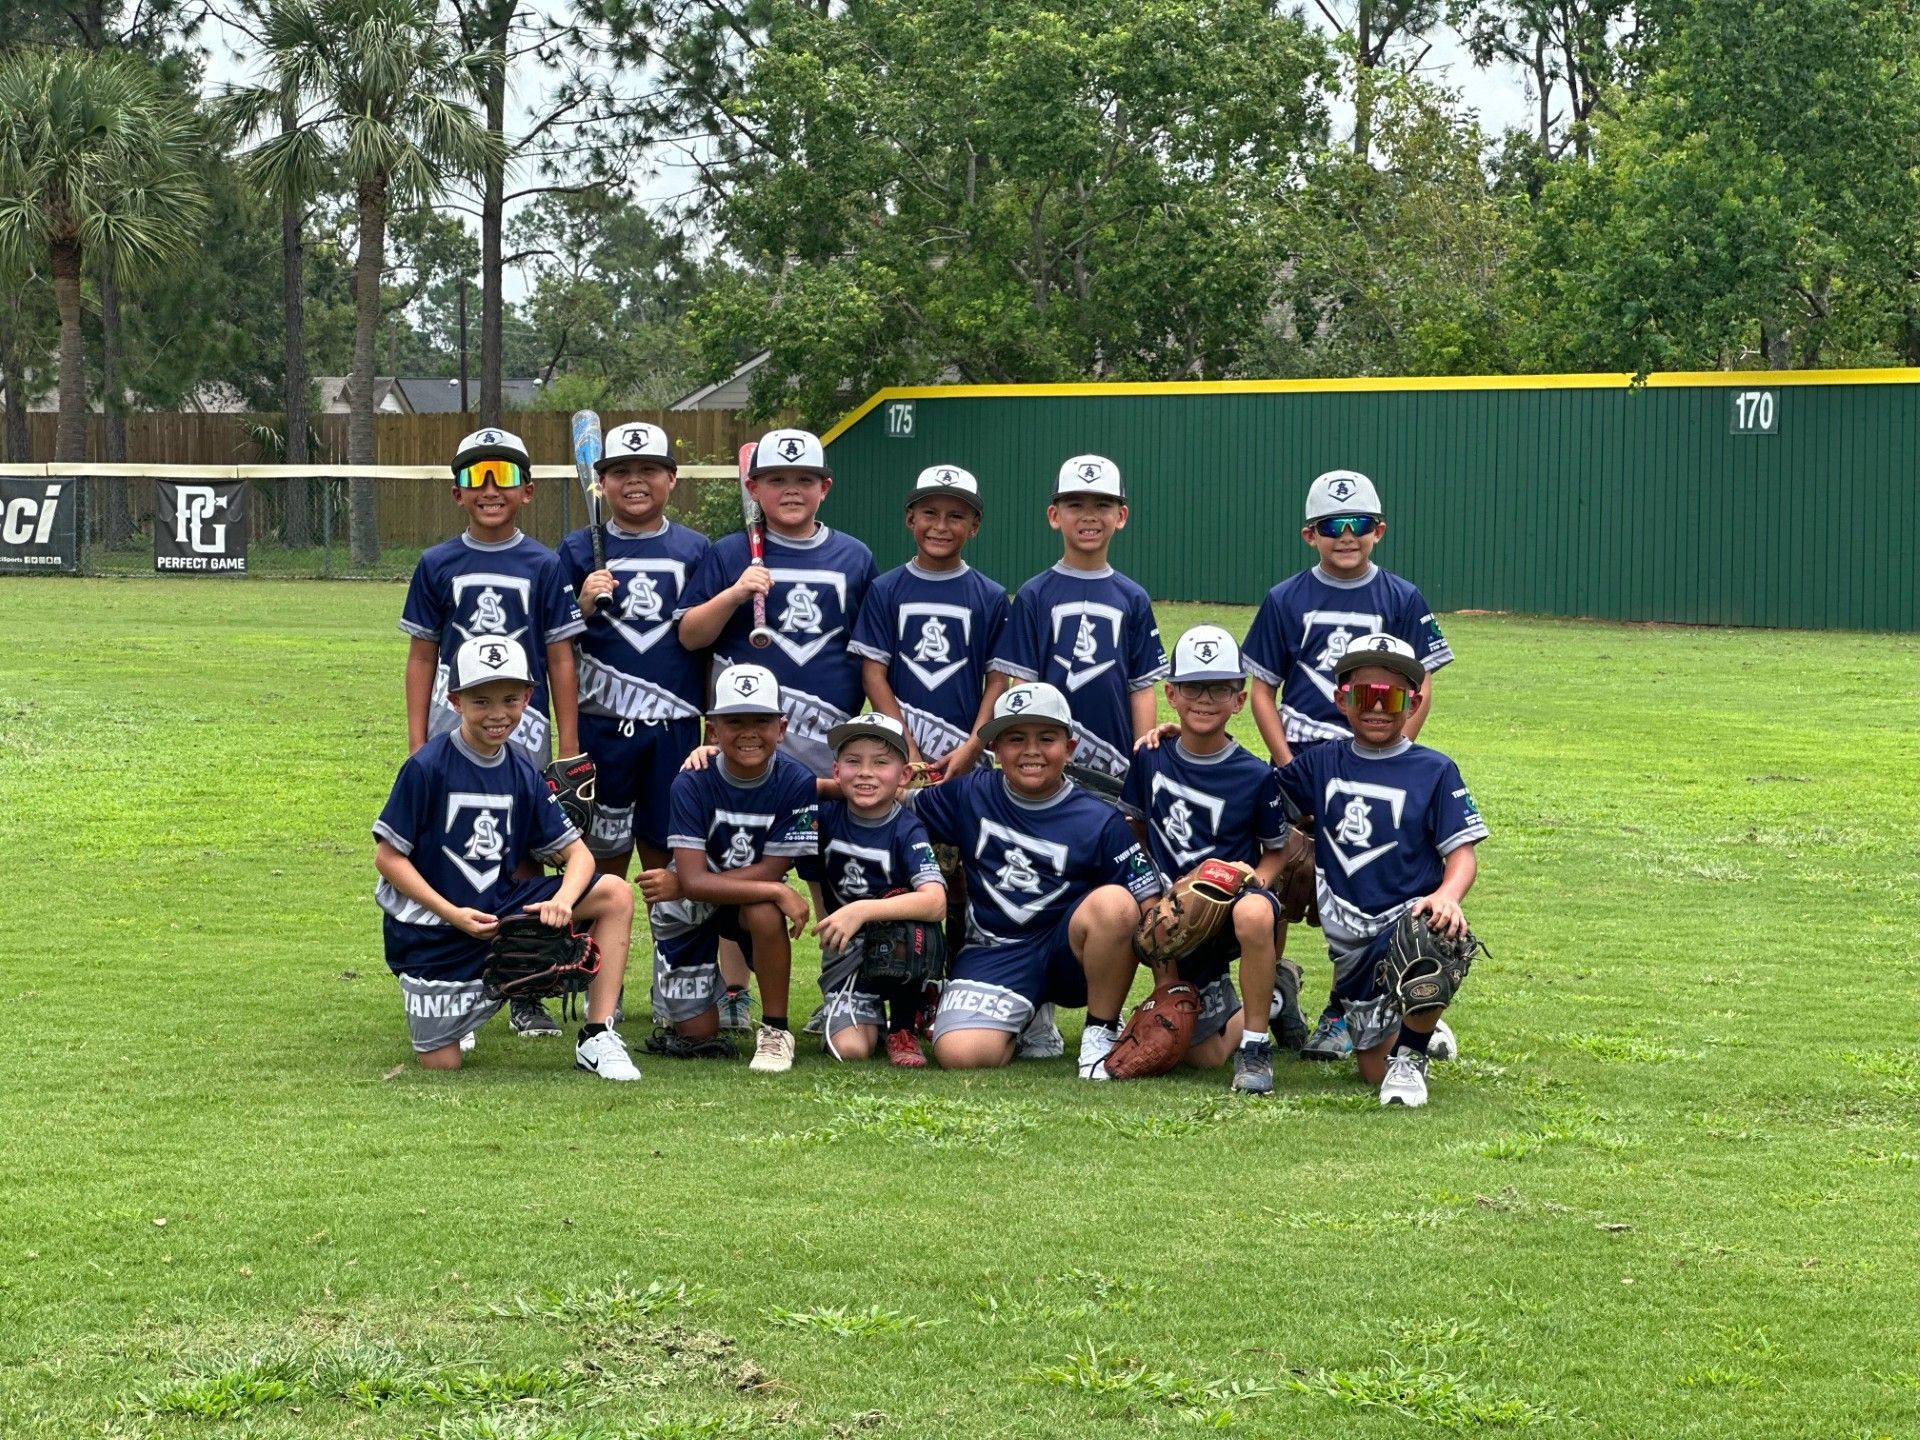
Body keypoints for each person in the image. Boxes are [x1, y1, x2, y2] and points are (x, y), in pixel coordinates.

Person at [1240, 468, 1452, 1062]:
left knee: (1369, 879)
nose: (1346, 536)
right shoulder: (1286, 597)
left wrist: (1395, 756)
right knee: (1282, 876)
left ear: (1378, 530)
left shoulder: (1401, 597)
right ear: (1310, 534)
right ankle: (1276, 985)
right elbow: (1262, 688)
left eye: (1358, 524)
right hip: (1307, 759)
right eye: (1332, 526)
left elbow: (1422, 683)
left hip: (1378, 758)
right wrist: (1288, 766)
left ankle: (1356, 1009)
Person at [372, 636, 639, 1081]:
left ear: (529, 698)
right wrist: (452, 914)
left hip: (498, 910)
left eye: (510, 700)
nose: (498, 714)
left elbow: (579, 856)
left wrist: (564, 901)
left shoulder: (520, 771)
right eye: (481, 701)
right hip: (432, 928)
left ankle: (597, 1035)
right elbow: (387, 858)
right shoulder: (427, 766)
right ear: (455, 701)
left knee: (614, 894)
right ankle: (463, 1009)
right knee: (443, 1064)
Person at [398, 426, 586, 1040]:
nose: (487, 488)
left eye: (502, 475)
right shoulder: (437, 563)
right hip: (456, 729)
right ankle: (460, 983)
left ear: (527, 491)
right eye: (472, 477)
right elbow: (423, 656)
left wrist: (567, 747)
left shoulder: (544, 563)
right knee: (451, 854)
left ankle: (523, 986)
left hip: (525, 732)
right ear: (456, 493)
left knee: (526, 859)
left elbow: (560, 659)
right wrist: (417, 739)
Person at [1275, 634, 1487, 1108]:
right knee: (1372, 1071)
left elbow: (1462, 854)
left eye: (1390, 697)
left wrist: (1448, 894)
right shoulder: (1321, 764)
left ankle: (1412, 1049)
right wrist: (1183, 740)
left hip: (1404, 924)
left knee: (1435, 933)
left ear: (1412, 703)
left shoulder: (1434, 770)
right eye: (1363, 695)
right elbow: (1255, 799)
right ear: (1341, 699)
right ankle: (1417, 1017)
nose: (1376, 708)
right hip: (1350, 944)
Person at [910, 682, 1162, 1075]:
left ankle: (1099, 1033)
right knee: (960, 1055)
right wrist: (828, 791)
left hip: (1067, 955)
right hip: (995, 949)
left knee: (1115, 905)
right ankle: (1025, 1015)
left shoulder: (1099, 818)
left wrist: (1169, 989)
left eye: (1047, 738)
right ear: (994, 748)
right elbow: (898, 809)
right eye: (1015, 738)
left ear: (1070, 748)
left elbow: (1149, 906)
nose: (1031, 751)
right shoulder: (969, 794)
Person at [1118, 625, 1309, 1094]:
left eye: (1220, 688)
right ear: (1171, 694)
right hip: (1170, 909)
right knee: (1200, 1055)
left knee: (1254, 911)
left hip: (1224, 913)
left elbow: (1276, 849)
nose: (1205, 699)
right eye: (1192, 687)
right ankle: (1275, 994)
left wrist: (1254, 882)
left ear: (1239, 700)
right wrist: (1149, 894)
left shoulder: (1253, 774)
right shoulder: (1151, 758)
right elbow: (1136, 830)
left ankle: (1256, 1045)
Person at [638, 664, 817, 1074]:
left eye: (761, 721)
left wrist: (685, 885)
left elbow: (771, 868)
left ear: (782, 726)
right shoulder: (691, 780)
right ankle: (701, 989)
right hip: (689, 905)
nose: (749, 731)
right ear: (713, 729)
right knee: (696, 1034)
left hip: (714, 894)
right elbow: (700, 880)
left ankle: (775, 1031)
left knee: (764, 912)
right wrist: (774, 889)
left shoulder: (797, 781)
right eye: (735, 721)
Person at [555, 420, 711, 879]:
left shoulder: (696, 549)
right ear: (600, 483)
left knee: (672, 863)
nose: (635, 481)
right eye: (621, 471)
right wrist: (581, 606)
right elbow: (553, 643)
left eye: (650, 469)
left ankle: (676, 954)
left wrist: (713, 728)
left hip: (675, 727)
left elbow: (708, 646)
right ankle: (598, 950)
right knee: (602, 865)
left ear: (672, 479)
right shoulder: (577, 548)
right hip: (600, 726)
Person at [676, 428, 876, 777]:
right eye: (777, 479)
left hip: (825, 736)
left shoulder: (854, 557)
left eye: (805, 479)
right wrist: (735, 593)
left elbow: (871, 650)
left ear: (824, 488)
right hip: (745, 738)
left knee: (816, 829)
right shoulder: (729, 552)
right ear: (753, 488)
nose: (792, 489)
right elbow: (691, 637)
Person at [987, 455, 1168, 789]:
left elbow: (1141, 687)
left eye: (1102, 504)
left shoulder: (1133, 597)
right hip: (1047, 761)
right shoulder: (1034, 594)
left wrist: (1143, 761)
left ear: (1121, 516)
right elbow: (1023, 685)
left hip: (1114, 764)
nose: (1089, 515)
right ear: (1054, 516)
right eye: (1075, 504)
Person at [849, 464, 1009, 774]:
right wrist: (906, 747)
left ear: (974, 526)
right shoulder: (885, 590)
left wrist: (973, 747)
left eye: (956, 516)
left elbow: (998, 681)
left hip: (964, 756)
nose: (941, 526)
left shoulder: (991, 596)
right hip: (898, 754)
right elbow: (872, 675)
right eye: (930, 513)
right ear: (910, 518)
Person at [810, 713, 948, 1067]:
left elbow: (935, 902)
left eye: (881, 763)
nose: (866, 772)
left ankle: (905, 1021)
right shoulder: (824, 816)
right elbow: (783, 789)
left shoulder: (907, 828)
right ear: (836, 771)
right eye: (853, 762)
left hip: (895, 945)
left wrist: (861, 910)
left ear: (904, 776)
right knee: (851, 1050)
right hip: (848, 950)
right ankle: (858, 1008)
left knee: (909, 914)